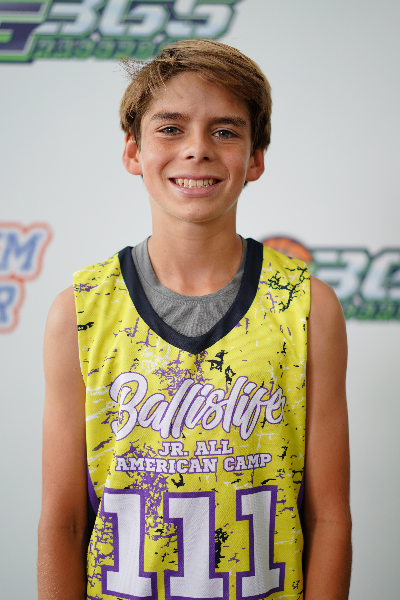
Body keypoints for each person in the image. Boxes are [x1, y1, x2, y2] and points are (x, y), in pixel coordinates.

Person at [38, 39, 351, 600]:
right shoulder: (80, 311)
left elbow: (328, 517)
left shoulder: (306, 306)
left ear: (255, 158)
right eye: (170, 128)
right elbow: (64, 522)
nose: (197, 149)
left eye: (225, 131)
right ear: (133, 151)